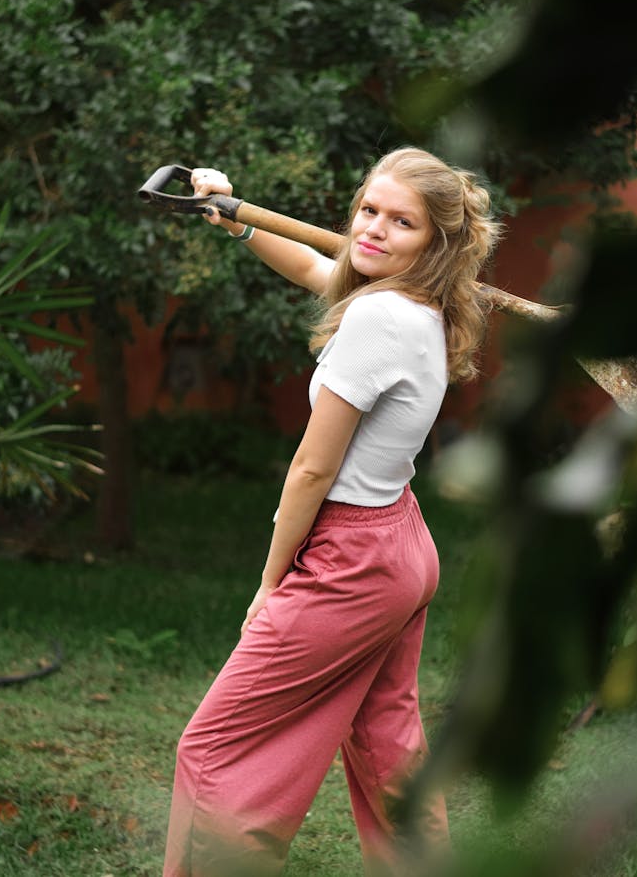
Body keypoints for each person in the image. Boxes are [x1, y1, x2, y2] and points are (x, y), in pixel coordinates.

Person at [162, 147, 501, 877]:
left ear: (436, 243)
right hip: (402, 545)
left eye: (401, 222)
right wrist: (236, 221)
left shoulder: (380, 317)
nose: (373, 230)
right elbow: (322, 269)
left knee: (215, 751)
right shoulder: (420, 306)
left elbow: (312, 468)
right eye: (368, 211)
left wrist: (268, 582)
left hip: (349, 560)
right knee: (388, 753)